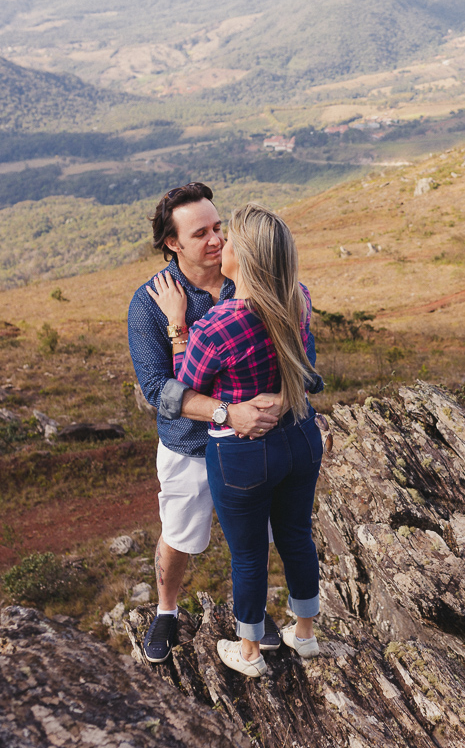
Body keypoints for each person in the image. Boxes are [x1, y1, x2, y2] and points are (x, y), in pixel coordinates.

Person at [127, 182, 322, 665]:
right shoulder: (151, 302)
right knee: (179, 533)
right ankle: (167, 610)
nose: (216, 240)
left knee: (262, 540)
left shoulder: (250, 275)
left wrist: (277, 399)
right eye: (201, 234)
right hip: (191, 443)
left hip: (258, 441)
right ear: (173, 243)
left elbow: (302, 359)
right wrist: (227, 412)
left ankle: (252, 620)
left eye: (220, 229)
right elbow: (159, 390)